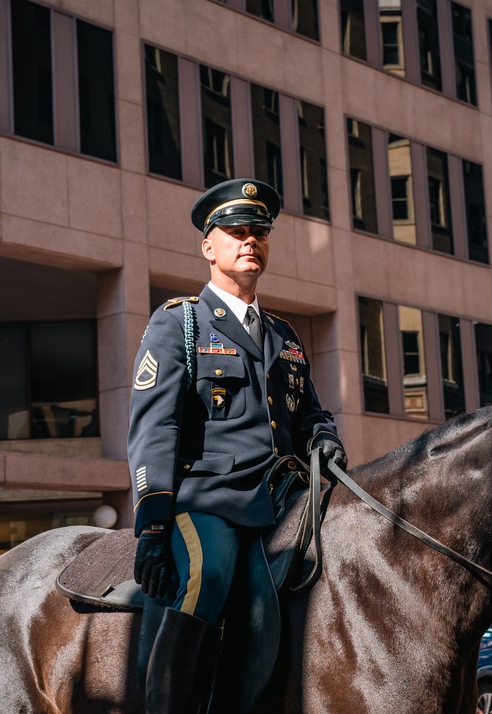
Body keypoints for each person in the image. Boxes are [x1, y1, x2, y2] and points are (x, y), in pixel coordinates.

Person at [128, 178, 348, 712]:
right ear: (209, 246)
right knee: (211, 575)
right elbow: (154, 429)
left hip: (287, 497)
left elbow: (310, 413)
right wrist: (152, 526)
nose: (250, 241)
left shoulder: (284, 337)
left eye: (259, 233)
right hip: (210, 499)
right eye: (235, 232)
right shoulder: (179, 323)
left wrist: (325, 436)